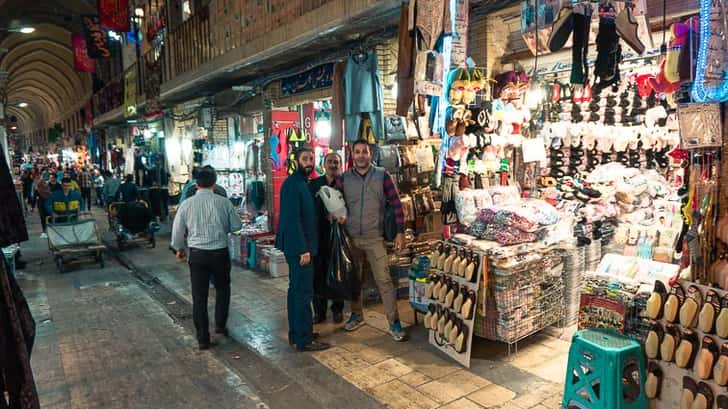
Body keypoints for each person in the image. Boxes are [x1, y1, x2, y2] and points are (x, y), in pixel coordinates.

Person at [337, 139, 407, 342]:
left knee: (384, 280)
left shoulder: (382, 175)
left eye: (364, 152)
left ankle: (394, 323)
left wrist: (400, 232)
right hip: (351, 238)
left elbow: (396, 205)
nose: (361, 155)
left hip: (374, 237)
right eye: (357, 152)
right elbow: (335, 205)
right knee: (354, 280)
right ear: (352, 154)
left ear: (370, 154)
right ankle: (356, 315)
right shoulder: (344, 178)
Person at [171, 166, 242, 350]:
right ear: (214, 182)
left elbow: (177, 230)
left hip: (197, 255)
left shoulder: (186, 204)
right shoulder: (224, 202)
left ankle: (203, 338)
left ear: (196, 184)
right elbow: (236, 226)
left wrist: (179, 248)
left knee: (199, 297)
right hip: (220, 253)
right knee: (223, 289)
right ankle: (220, 325)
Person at [275, 147, 330, 352]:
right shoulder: (293, 184)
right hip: (299, 248)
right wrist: (302, 249)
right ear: (296, 161)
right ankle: (304, 339)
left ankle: (297, 332)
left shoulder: (302, 183)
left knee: (296, 291)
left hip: (302, 246)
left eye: (311, 158)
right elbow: (292, 219)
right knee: (303, 293)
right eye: (305, 159)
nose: (309, 162)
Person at [308, 152, 345, 324]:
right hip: (319, 237)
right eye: (330, 162)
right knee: (318, 276)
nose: (333, 165)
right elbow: (309, 209)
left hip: (339, 238)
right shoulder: (314, 184)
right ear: (324, 165)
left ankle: (338, 309)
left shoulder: (344, 185)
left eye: (336, 162)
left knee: (338, 274)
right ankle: (319, 312)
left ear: (340, 164)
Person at [34, 172, 51, 238]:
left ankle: (45, 231)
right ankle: (47, 231)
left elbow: (35, 197)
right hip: (44, 203)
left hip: (42, 204)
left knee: (44, 218)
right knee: (46, 217)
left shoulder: (39, 188)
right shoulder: (46, 187)